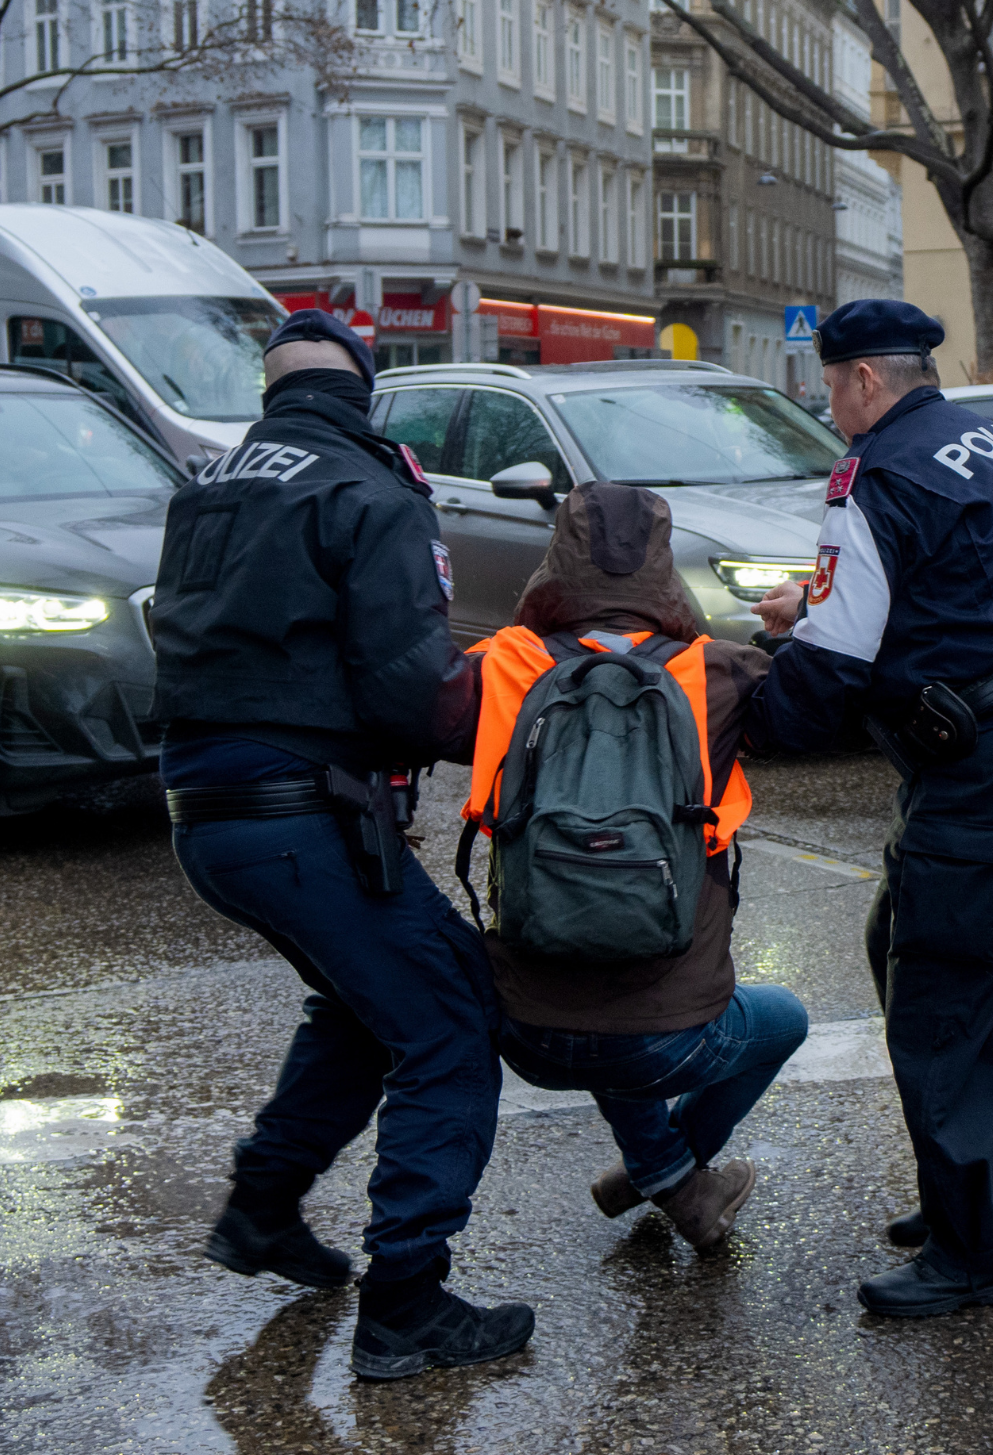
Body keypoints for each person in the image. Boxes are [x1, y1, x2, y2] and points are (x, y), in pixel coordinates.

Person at [153, 309, 533, 1381]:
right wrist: (515, 710)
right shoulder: (371, 491)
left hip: (208, 816)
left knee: (366, 1010)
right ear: (363, 394)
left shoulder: (211, 485)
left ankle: (262, 1209)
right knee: (451, 1017)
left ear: (272, 393)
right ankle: (408, 1301)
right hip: (300, 820)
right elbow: (408, 688)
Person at [746, 298, 993, 1318]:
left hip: (992, 755)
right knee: (907, 941)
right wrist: (815, 606)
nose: (830, 405)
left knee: (935, 1001)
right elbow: (971, 594)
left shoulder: (876, 474)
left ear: (865, 379)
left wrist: (740, 717)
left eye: (829, 386)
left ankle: (975, 1253)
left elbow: (829, 667)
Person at [457, 481, 806, 1253]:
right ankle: (673, 1169)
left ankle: (662, 1171)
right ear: (663, 568)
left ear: (556, 562)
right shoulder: (722, 673)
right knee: (782, 1018)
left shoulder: (499, 666)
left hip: (527, 1030)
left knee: (600, 987)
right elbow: (816, 712)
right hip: (668, 1039)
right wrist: (804, 618)